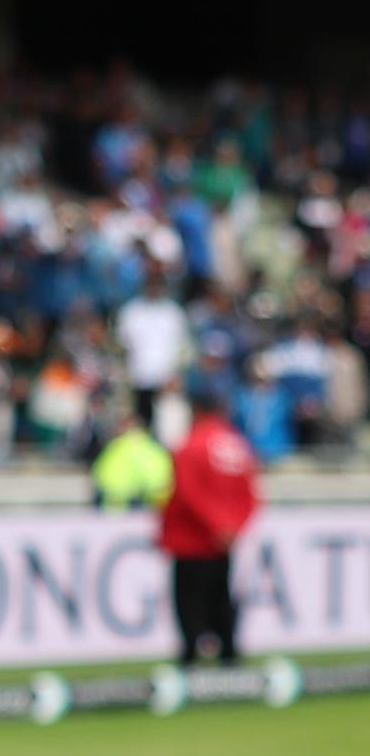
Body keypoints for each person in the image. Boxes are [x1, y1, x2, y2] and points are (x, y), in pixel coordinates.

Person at [160, 382, 259, 666]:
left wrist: (216, 525)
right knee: (221, 595)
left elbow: (188, 493)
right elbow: (251, 496)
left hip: (192, 539)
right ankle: (228, 653)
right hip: (222, 542)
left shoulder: (191, 445)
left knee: (189, 600)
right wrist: (232, 529)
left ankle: (191, 655)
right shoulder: (238, 446)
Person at [116, 258, 191, 423]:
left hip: (166, 383)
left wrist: (177, 375)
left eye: (158, 283)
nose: (154, 287)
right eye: (151, 283)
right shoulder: (131, 312)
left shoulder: (174, 313)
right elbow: (121, 347)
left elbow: (184, 349)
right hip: (137, 380)